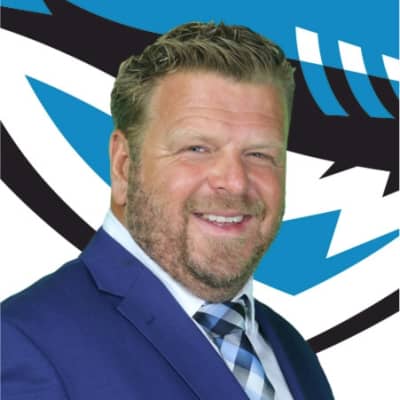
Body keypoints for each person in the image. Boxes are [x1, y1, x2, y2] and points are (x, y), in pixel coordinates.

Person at [1, 22, 333, 399]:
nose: (235, 182)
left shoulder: (291, 351)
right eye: (197, 149)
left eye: (259, 154)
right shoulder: (23, 346)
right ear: (124, 166)